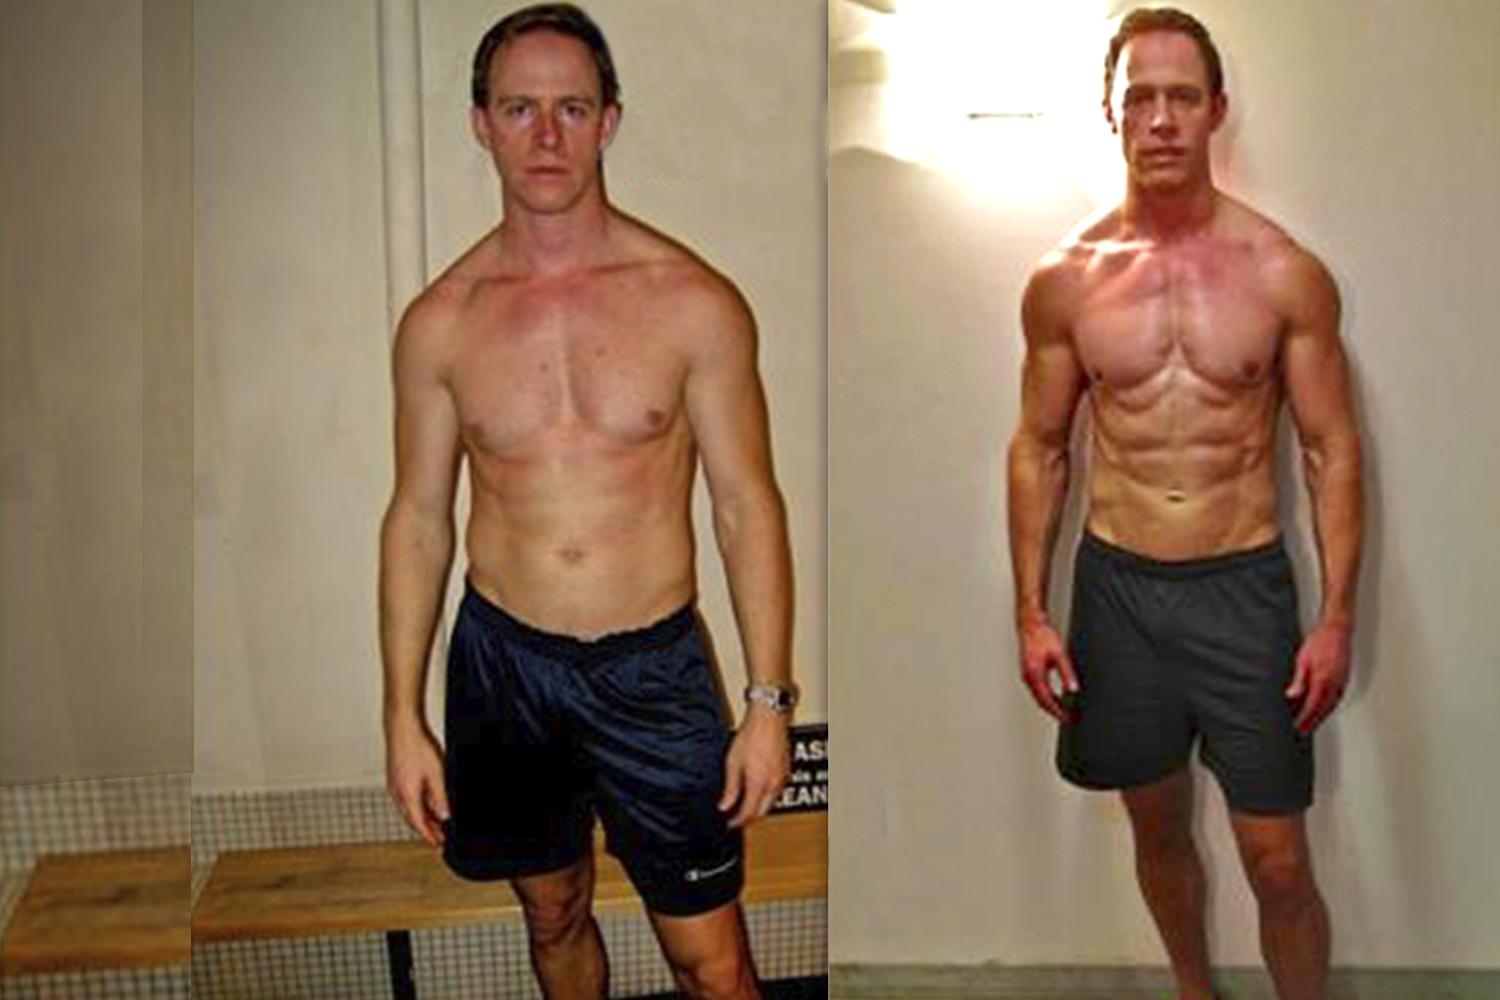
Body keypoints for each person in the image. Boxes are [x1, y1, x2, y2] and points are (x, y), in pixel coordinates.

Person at [378, 6, 797, 999]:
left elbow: (746, 506)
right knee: (553, 912)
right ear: (481, 124)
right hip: (504, 668)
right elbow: (419, 520)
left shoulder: (694, 303)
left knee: (712, 960)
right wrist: (401, 714)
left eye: (570, 108)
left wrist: (769, 701)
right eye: (518, 108)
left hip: (653, 670)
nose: (546, 136)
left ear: (609, 120)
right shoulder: (441, 324)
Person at [1007, 8, 1361, 1000]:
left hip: (1243, 591)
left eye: (1181, 98)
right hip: (1117, 591)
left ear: (1216, 111)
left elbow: (1332, 450)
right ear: (1111, 115)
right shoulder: (1066, 281)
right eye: (1140, 100)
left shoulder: (1284, 273)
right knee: (1157, 828)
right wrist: (1032, 610)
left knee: (1277, 859)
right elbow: (1039, 449)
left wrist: (1336, 617)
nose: (1160, 119)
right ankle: (1193, 991)